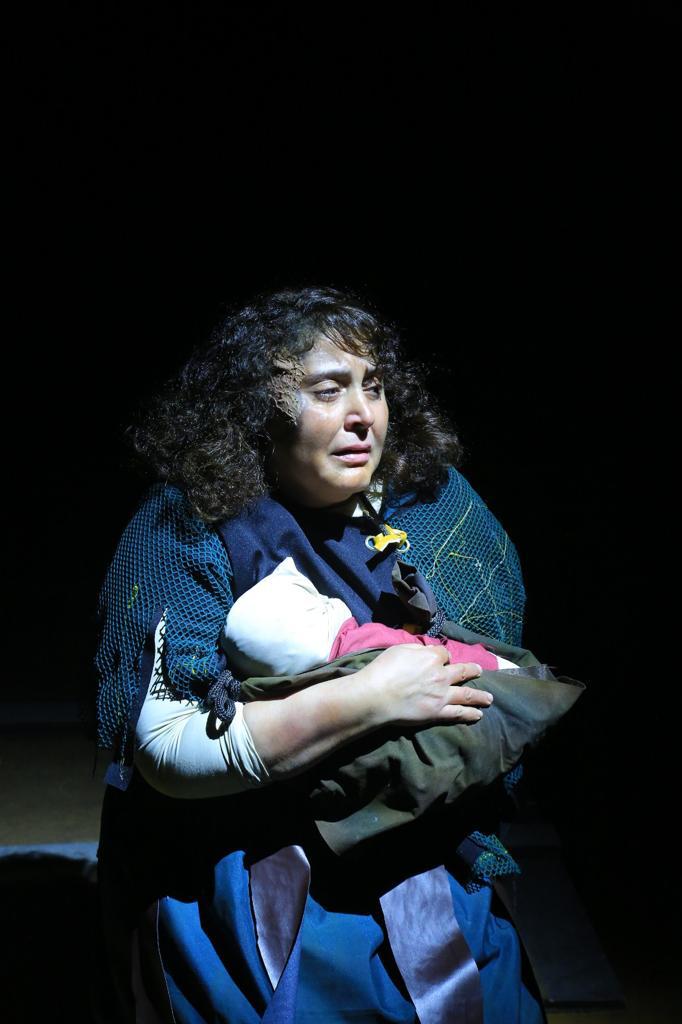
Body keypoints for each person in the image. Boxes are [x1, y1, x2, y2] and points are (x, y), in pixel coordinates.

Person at [93, 285, 549, 1023]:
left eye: (374, 386)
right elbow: (167, 747)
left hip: (421, 838)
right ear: (255, 412)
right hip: (243, 853)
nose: (363, 414)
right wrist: (364, 699)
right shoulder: (184, 525)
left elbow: (501, 697)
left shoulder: (438, 505)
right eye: (327, 391)